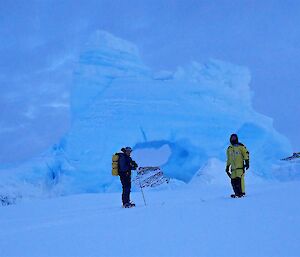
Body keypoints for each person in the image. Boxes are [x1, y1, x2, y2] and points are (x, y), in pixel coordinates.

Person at [226, 134, 250, 198]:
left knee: (240, 180)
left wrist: (247, 162)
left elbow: (246, 153)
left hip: (240, 168)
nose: (233, 139)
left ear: (237, 138)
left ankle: (242, 193)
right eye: (232, 138)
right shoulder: (229, 149)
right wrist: (227, 167)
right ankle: (237, 193)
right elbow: (229, 159)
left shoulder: (241, 146)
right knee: (233, 181)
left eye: (234, 138)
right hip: (233, 169)